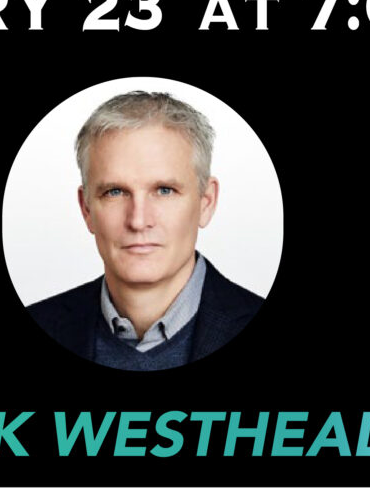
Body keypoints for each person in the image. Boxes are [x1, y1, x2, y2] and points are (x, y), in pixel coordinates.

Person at [26, 91, 263, 369]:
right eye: (115, 192)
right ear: (86, 209)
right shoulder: (42, 321)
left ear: (206, 202)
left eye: (164, 190)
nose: (138, 220)